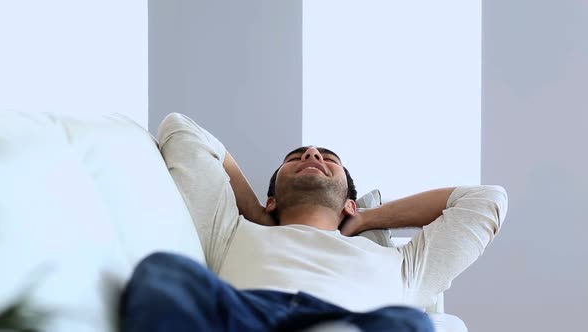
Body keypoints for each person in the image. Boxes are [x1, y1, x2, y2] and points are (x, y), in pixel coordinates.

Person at [119, 113, 508, 332]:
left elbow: (486, 199)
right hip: (246, 314)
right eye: (296, 157)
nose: (310, 153)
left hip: (353, 321)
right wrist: (254, 211)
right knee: (163, 274)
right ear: (271, 198)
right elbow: (180, 129)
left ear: (349, 203)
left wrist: (369, 218)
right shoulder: (235, 230)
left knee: (409, 325)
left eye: (328, 158)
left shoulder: (407, 266)